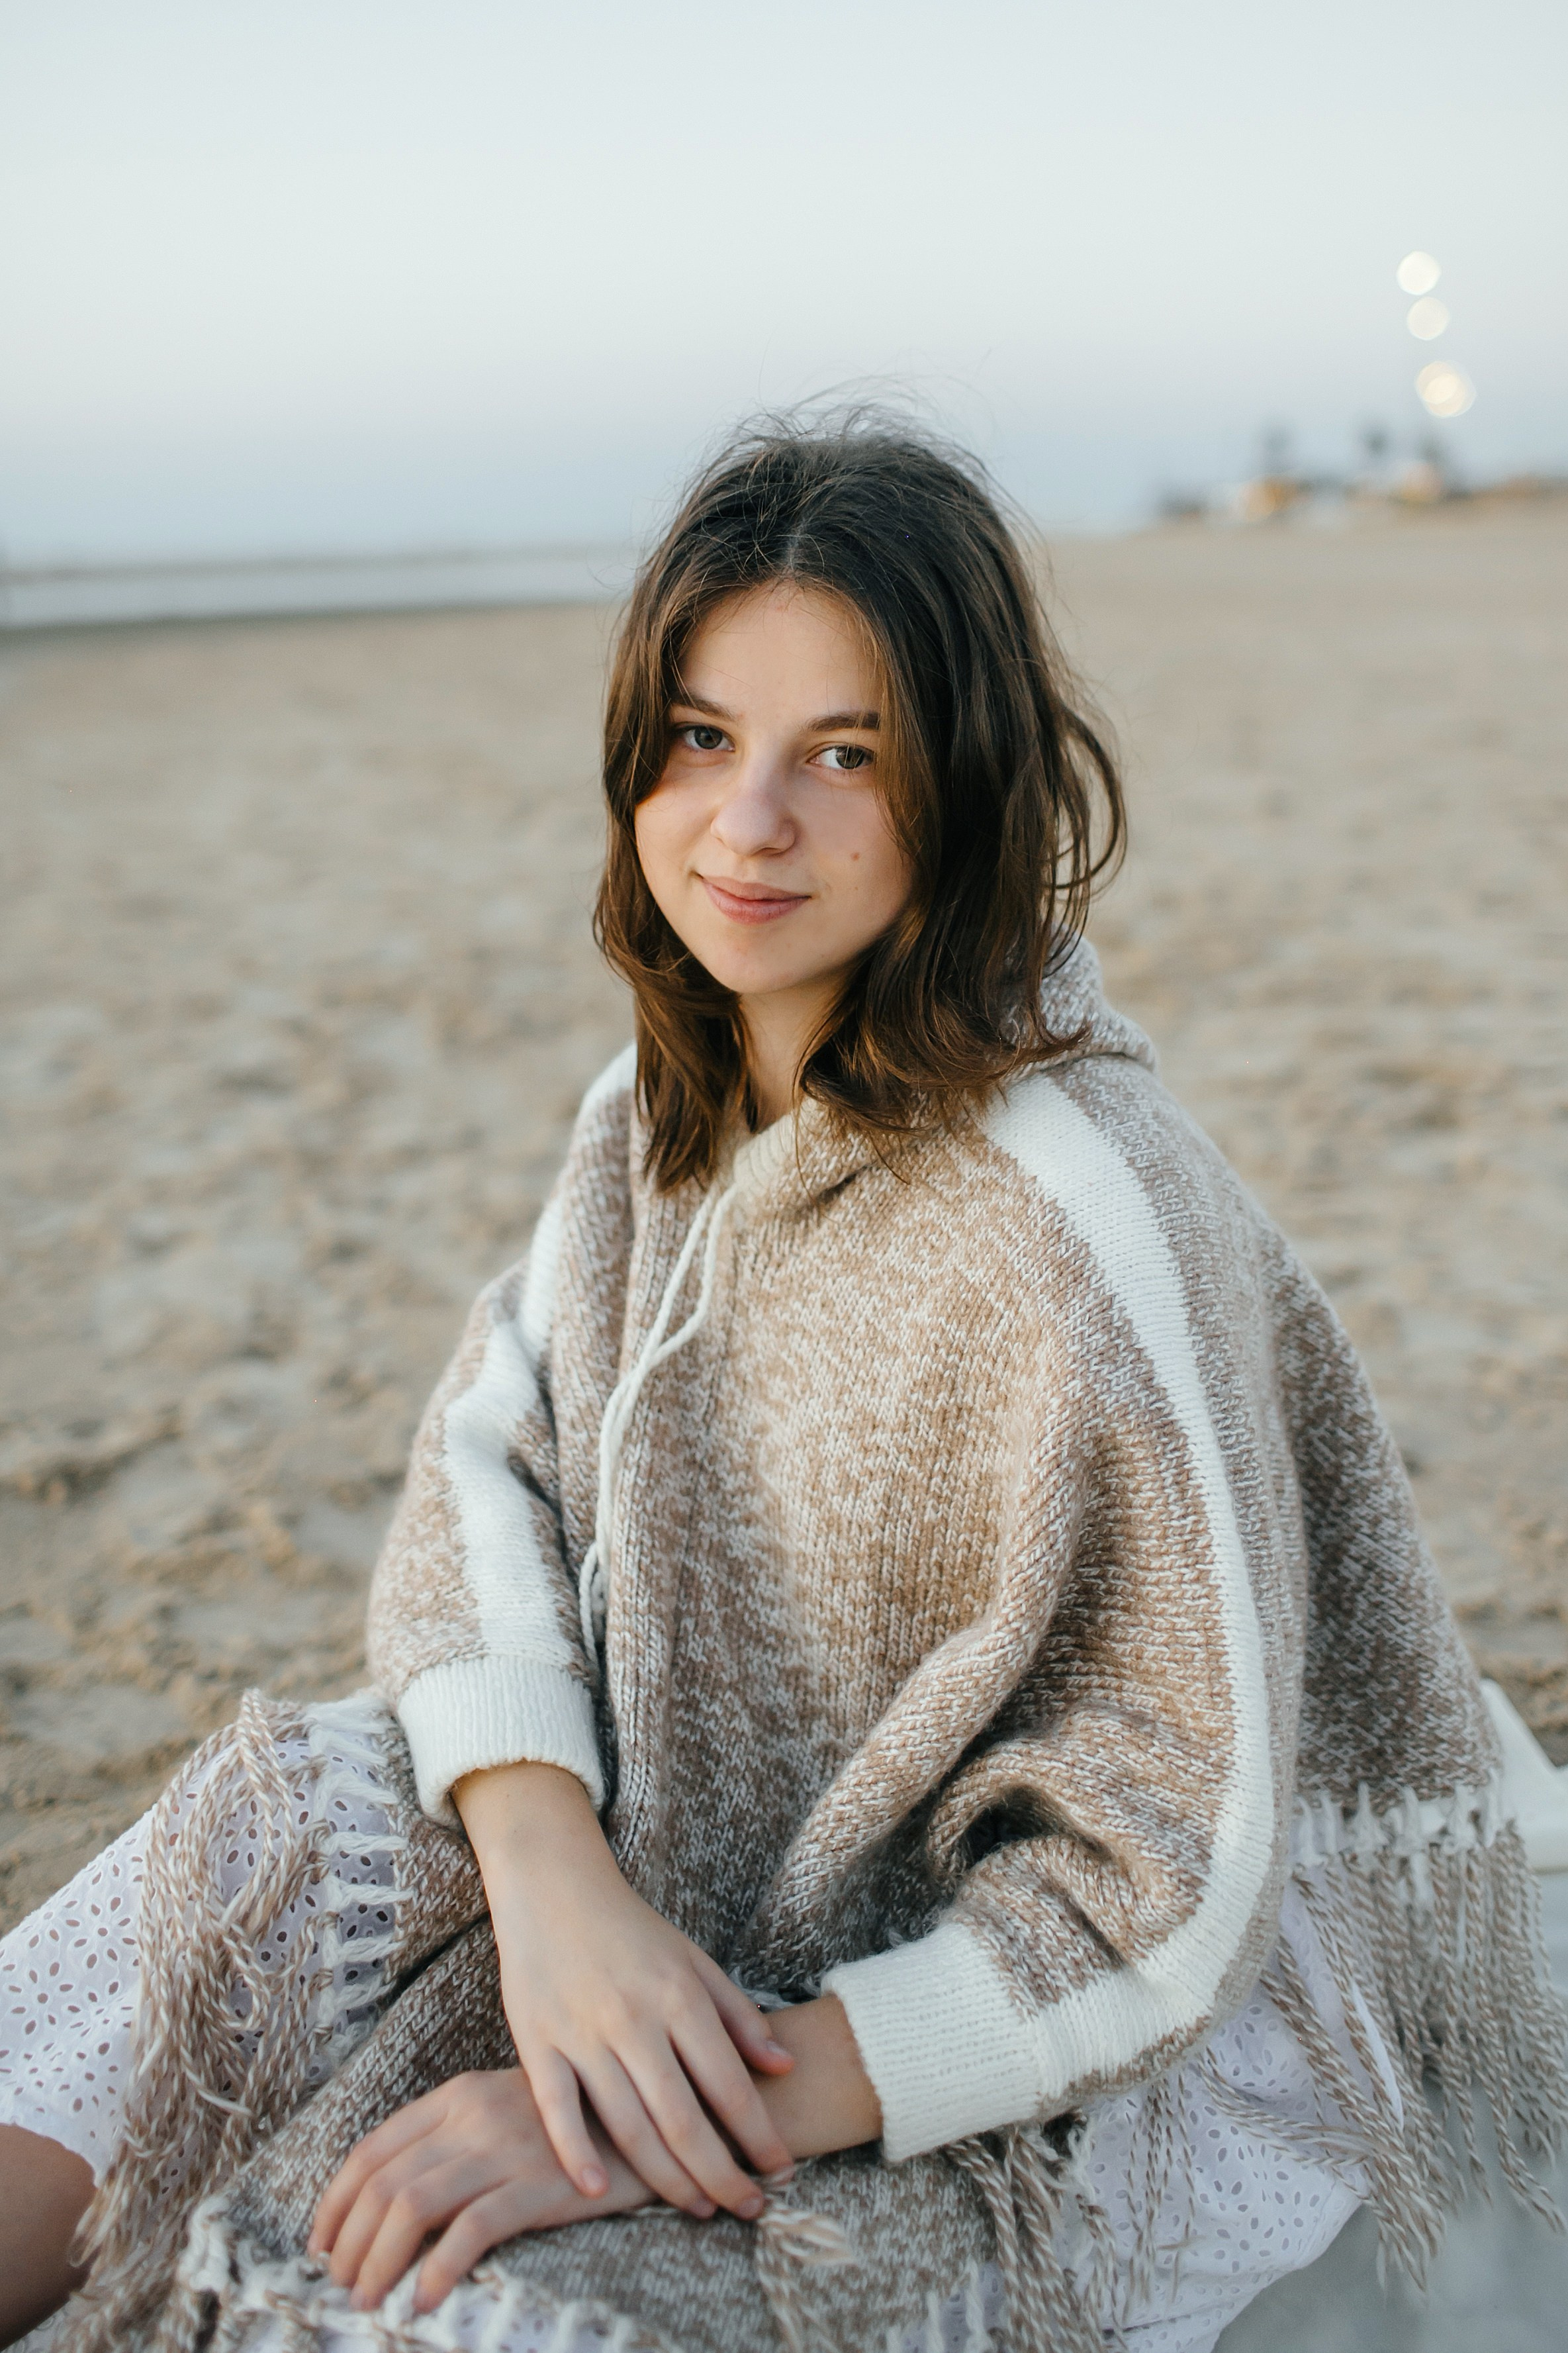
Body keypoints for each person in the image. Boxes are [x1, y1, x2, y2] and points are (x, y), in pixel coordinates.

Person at [2, 418, 1565, 2353]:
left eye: (846, 753)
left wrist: (673, 2110)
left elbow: (1177, 1867)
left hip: (1090, 1983)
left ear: (965, 784)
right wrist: (550, 1868)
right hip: (721, 1813)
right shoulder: (660, 1104)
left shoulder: (1078, 1209)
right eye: (696, 736)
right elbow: (488, 1451)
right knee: (266, 1836)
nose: (747, 823)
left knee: (449, 2298)